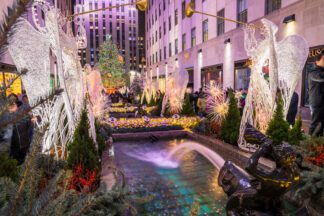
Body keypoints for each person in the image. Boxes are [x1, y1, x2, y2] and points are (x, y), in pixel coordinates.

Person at [308, 52, 324, 136]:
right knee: (316, 125)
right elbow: (320, 77)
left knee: (321, 126)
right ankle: (309, 145)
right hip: (318, 103)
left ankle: (318, 145)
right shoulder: (313, 72)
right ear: (317, 62)